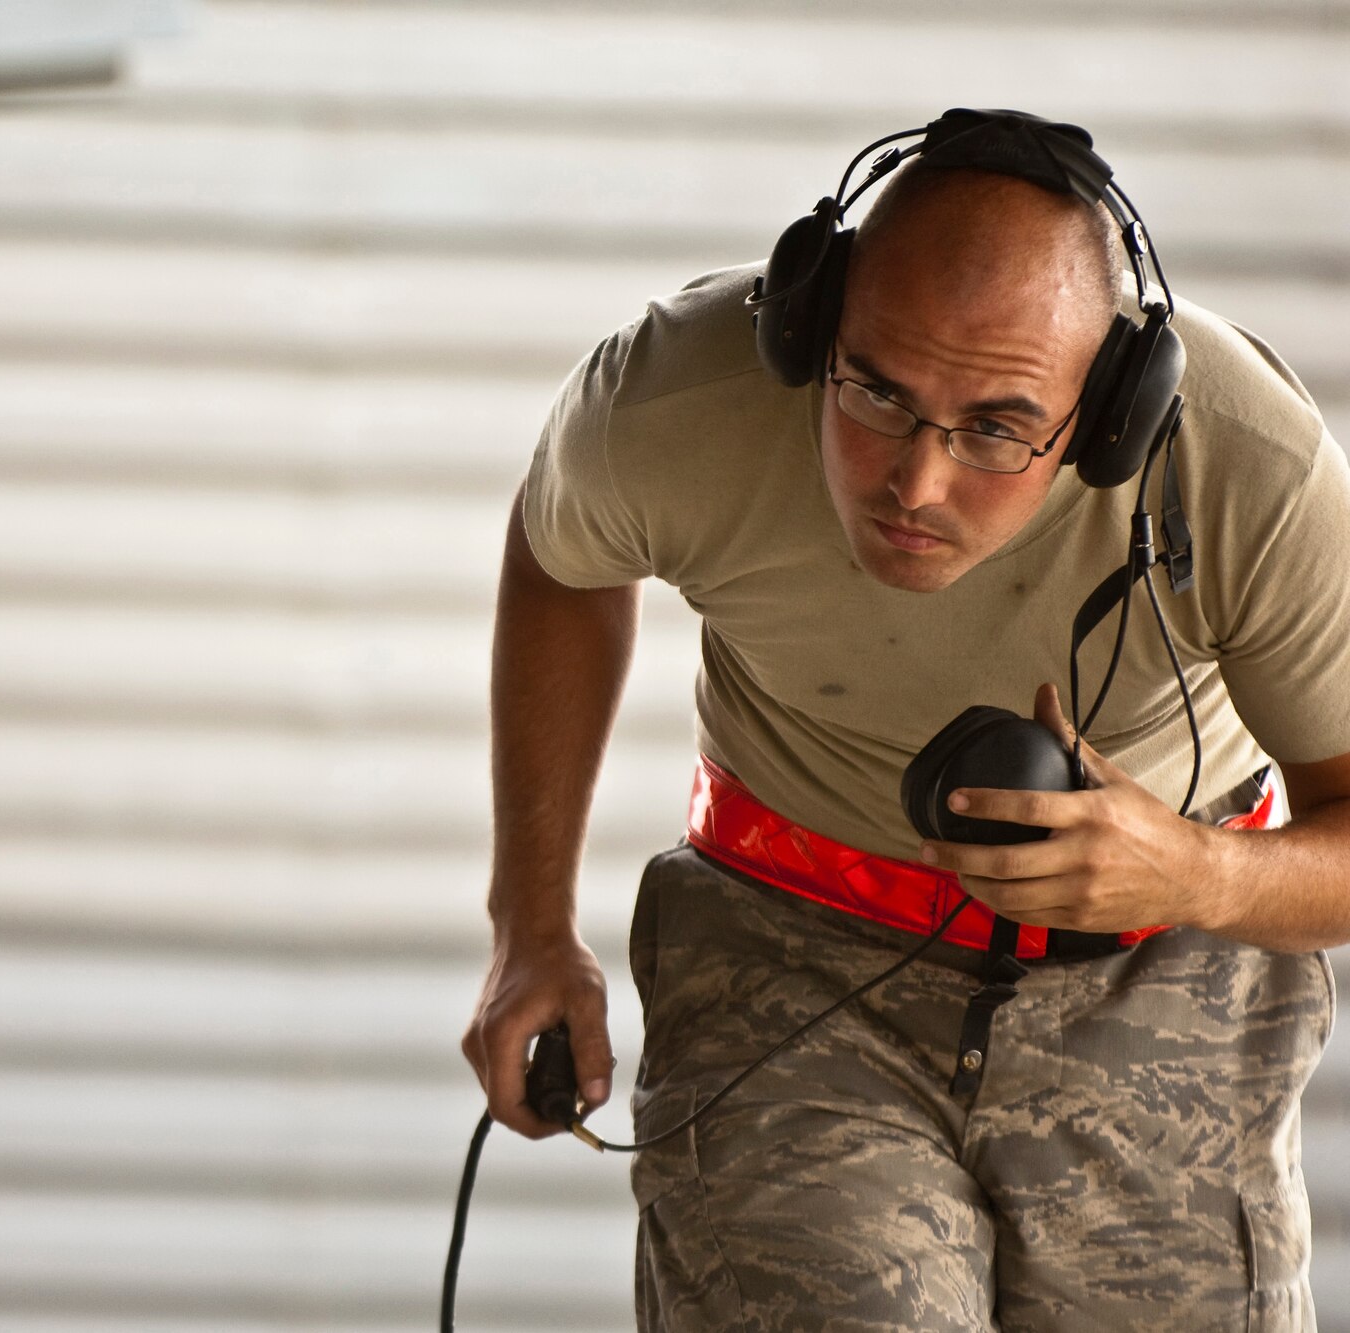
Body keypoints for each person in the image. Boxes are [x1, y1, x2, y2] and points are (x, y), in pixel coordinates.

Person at [460, 110, 1350, 1331]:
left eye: (994, 427)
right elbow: (560, 558)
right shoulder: (674, 397)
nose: (914, 484)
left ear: (1108, 412)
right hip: (785, 959)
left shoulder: (1249, 469)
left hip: (1160, 971)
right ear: (808, 327)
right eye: (875, 391)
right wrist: (528, 925)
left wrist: (1193, 870)